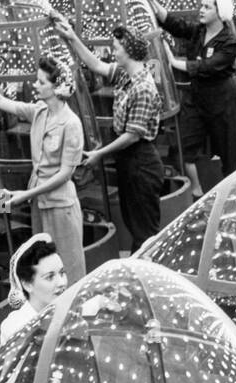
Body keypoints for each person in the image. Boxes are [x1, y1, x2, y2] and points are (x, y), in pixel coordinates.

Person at [0, 47, 88, 284]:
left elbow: (64, 174)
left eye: (40, 82)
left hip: (60, 208)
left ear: (56, 88)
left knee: (69, 271)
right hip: (40, 204)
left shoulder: (72, 124)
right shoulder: (38, 111)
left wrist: (25, 195)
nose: (35, 85)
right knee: (45, 270)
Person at [64, 20, 166, 247]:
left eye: (117, 48)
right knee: (133, 222)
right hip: (129, 161)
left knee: (144, 231)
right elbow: (96, 65)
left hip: (141, 163)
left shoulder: (143, 88)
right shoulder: (125, 75)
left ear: (129, 51)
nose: (113, 52)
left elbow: (132, 136)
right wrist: (72, 36)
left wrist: (100, 154)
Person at [143, 0, 236, 194]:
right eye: (201, 5)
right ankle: (197, 192)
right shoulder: (199, 31)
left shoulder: (230, 42)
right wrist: (151, 0)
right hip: (197, 97)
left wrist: (174, 62)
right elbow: (173, 24)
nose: (201, 10)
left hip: (223, 101)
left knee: (231, 153)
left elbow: (208, 66)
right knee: (186, 145)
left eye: (207, 7)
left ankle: (233, 193)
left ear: (220, 12)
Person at [1, 234, 68, 343]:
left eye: (62, 273)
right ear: (27, 285)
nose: (62, 283)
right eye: (49, 277)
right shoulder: (16, 327)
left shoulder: (71, 309)